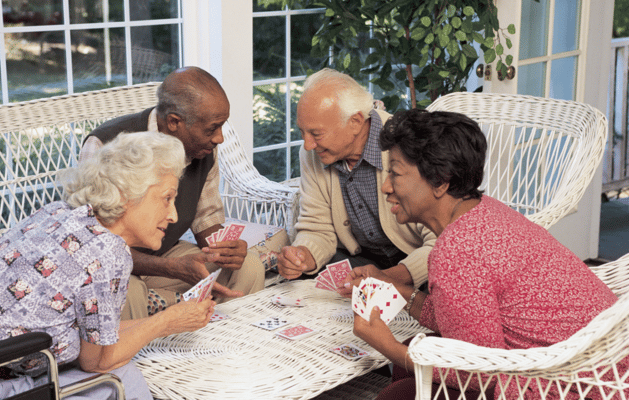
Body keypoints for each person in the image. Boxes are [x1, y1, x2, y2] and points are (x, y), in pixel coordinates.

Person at [348, 108, 623, 400]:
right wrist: (401, 293)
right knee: (417, 355)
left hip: (571, 388)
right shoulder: (486, 209)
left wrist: (388, 346)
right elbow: (471, 317)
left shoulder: (456, 251)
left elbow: (481, 376)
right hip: (609, 369)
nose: (386, 186)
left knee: (398, 392)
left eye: (395, 173)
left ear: (440, 181)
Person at [0, 131, 229, 399]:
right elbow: (97, 361)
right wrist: (166, 322)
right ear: (127, 194)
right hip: (4, 382)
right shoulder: (107, 251)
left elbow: (100, 337)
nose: (173, 215)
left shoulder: (58, 212)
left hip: (3, 360)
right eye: (166, 198)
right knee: (124, 375)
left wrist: (172, 317)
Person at [80, 66, 264, 319]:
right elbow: (94, 246)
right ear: (174, 122)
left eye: (221, 127)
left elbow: (206, 219)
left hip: (166, 255)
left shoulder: (204, 148)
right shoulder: (105, 146)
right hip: (113, 265)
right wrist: (171, 268)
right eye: (212, 129)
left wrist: (227, 251)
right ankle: (136, 358)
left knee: (248, 267)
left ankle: (227, 348)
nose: (219, 138)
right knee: (125, 291)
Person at [277, 68, 436, 289]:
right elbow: (317, 227)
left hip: (416, 262)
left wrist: (393, 277)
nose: (307, 145)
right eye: (302, 132)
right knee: (303, 284)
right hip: (359, 262)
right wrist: (302, 256)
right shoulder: (312, 154)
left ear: (355, 122)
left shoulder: (410, 146)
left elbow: (442, 239)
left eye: (316, 133)